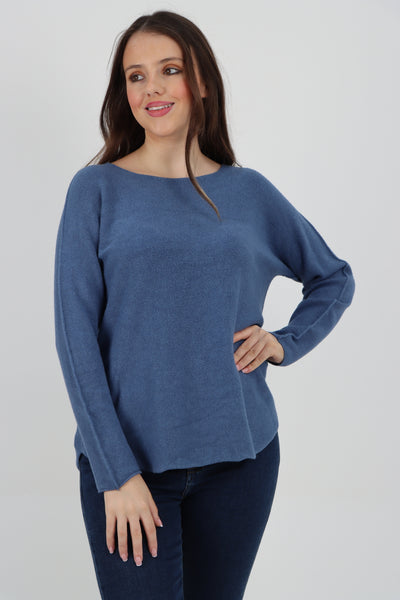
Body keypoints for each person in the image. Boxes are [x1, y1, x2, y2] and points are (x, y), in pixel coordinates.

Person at [53, 9, 356, 600]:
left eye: (169, 69)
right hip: (131, 469)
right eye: (136, 76)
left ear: (202, 82)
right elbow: (74, 339)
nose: (152, 88)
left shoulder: (248, 191)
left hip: (241, 462)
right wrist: (116, 473)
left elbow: (333, 278)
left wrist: (284, 342)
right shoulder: (95, 190)